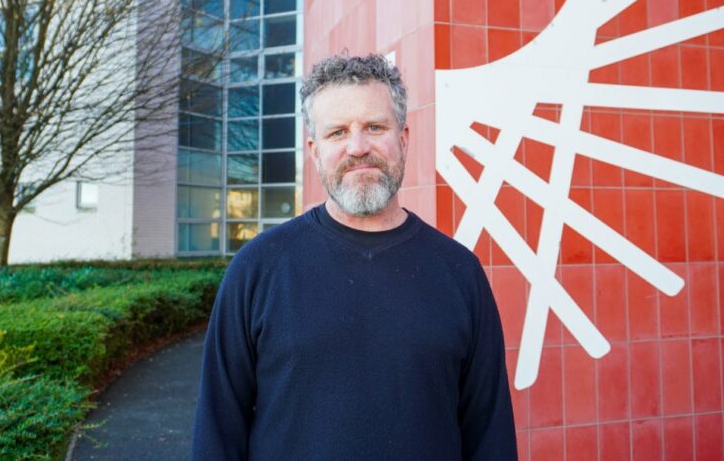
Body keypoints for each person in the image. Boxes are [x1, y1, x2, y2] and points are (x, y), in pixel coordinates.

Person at [192, 54, 517, 460]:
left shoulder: (460, 272)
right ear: (315, 152)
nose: (358, 148)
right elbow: (217, 433)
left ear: (403, 139)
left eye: (375, 127)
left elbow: (490, 436)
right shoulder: (258, 268)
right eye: (338, 132)